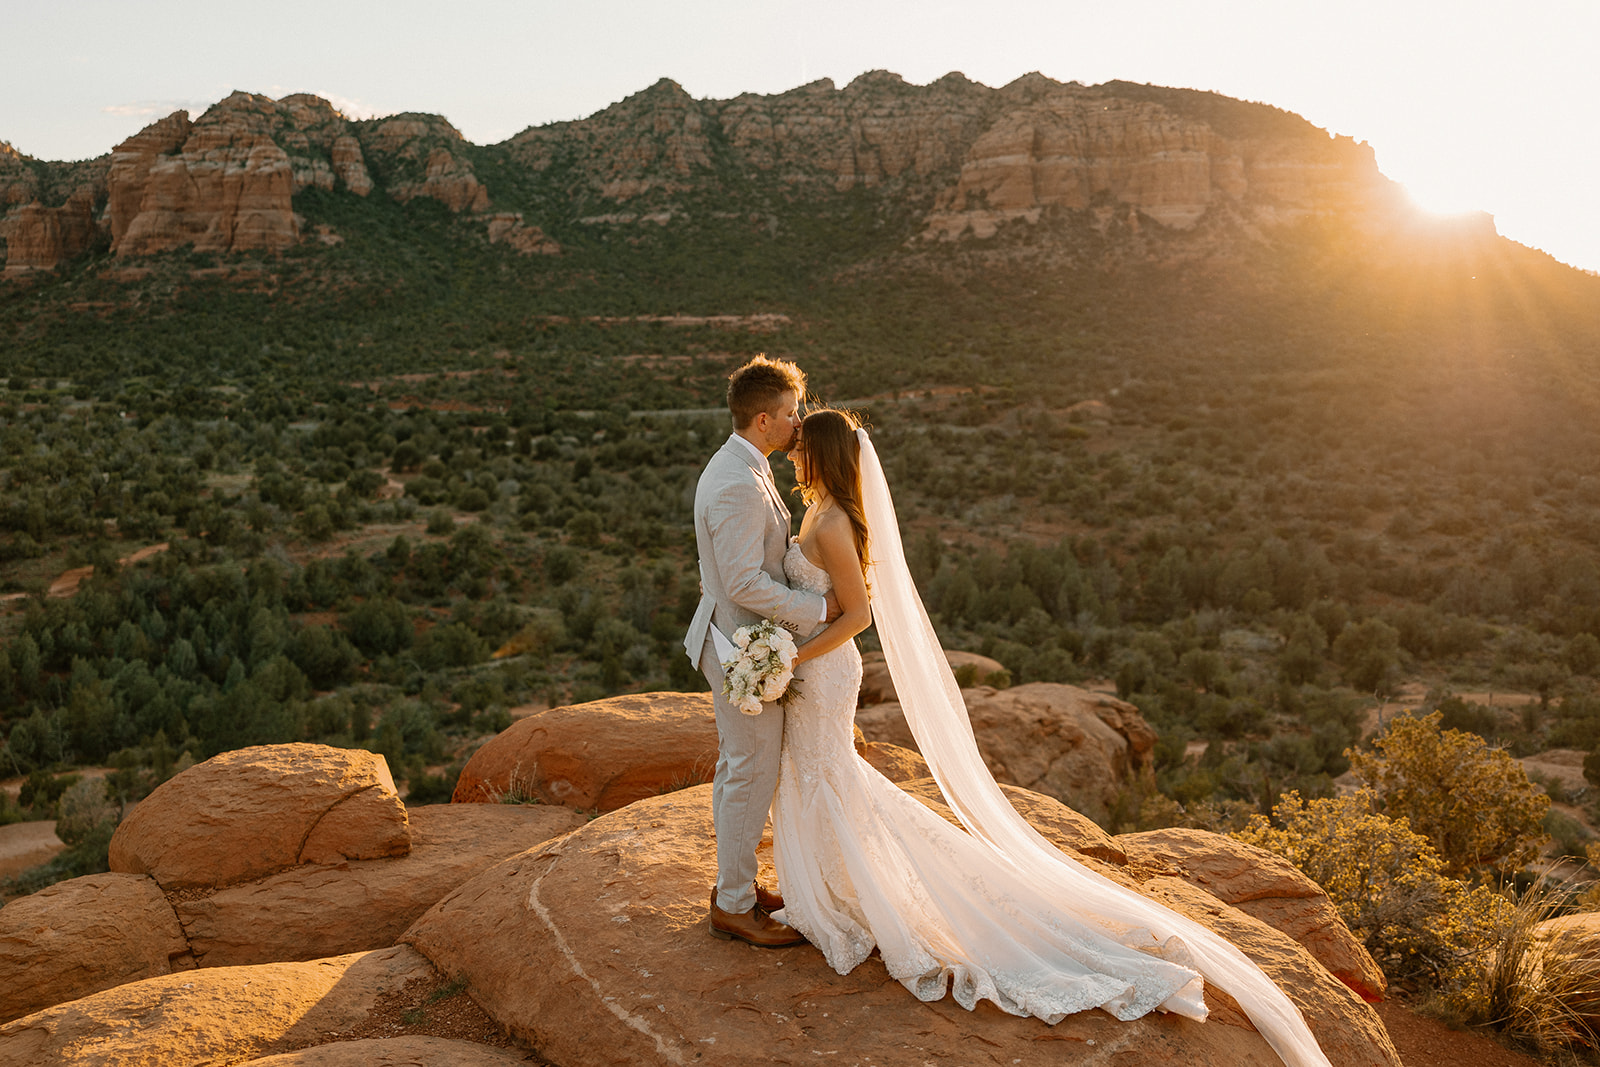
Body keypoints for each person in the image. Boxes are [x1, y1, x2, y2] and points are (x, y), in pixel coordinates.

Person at [765, 406, 1333, 1067]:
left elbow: (858, 614)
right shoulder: (820, 510)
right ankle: (830, 890)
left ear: (823, 454)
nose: (790, 452)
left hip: (825, 669)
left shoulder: (832, 522)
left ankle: (849, 897)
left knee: (830, 775)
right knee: (819, 774)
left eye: (800, 445)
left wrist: (792, 658)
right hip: (810, 666)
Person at [683, 355, 839, 948]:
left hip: (745, 640)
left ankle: (738, 888)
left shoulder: (743, 466)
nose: (798, 424)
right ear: (764, 419)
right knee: (751, 772)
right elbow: (745, 581)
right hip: (741, 648)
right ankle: (734, 905)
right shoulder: (734, 483)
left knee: (742, 771)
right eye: (792, 414)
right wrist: (820, 610)